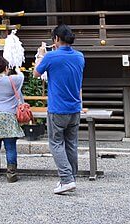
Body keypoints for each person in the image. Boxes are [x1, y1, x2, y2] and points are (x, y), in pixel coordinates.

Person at [34, 23, 86, 195]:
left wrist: (41, 55)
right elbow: (78, 83)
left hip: (58, 109)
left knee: (56, 143)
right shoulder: (80, 57)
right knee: (71, 144)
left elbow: (36, 73)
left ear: (56, 39)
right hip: (75, 107)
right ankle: (71, 177)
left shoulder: (51, 57)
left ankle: (66, 179)